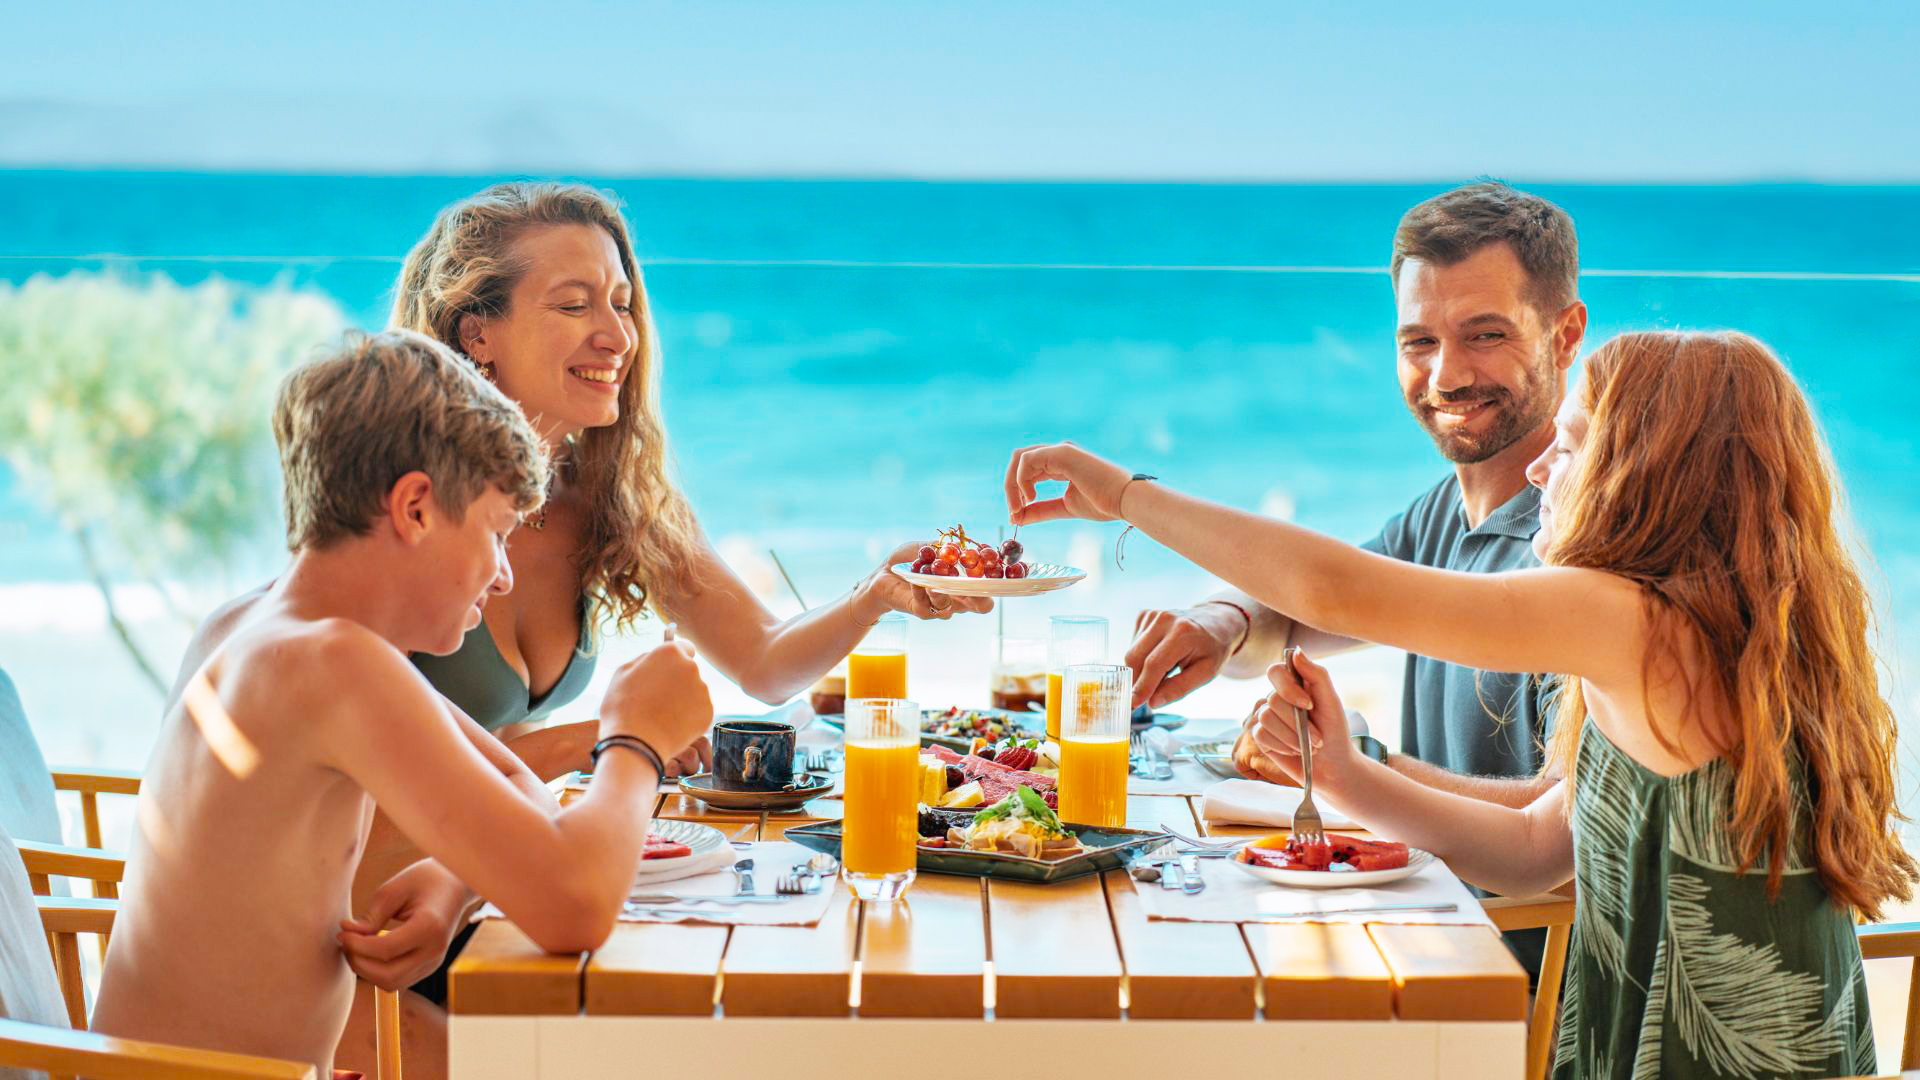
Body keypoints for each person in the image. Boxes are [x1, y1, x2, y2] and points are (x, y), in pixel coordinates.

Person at [1005, 329, 1914, 1079]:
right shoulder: (1708, 640)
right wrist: (1345, 774)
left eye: (1573, 443)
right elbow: (1533, 851)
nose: (1538, 469)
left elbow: (1334, 590)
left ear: (1651, 470)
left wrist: (1127, 496)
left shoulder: (1639, 625)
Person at [94, 331, 714, 1076]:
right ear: (416, 508)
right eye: (496, 533)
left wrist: (452, 884)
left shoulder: (260, 627)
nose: (504, 577)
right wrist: (636, 739)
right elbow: (575, 908)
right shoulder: (333, 665)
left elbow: (516, 782)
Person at [1125, 181, 1582, 804]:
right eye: (1420, 341)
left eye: (1485, 336)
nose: (1446, 377)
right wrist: (1222, 620)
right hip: (1414, 871)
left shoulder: (1581, 537)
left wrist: (1354, 763)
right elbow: (1315, 603)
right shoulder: (1440, 516)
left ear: (1565, 335)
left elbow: (1569, 829)